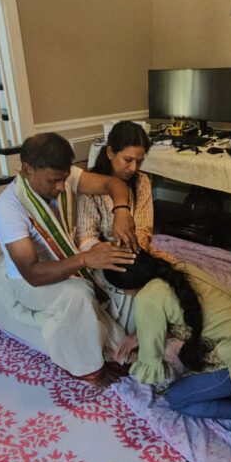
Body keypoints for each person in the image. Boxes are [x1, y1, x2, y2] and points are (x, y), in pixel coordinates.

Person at [105, 250, 231, 448]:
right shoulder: (180, 271)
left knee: (176, 398)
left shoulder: (147, 299)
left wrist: (132, 358)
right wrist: (140, 335)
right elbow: (189, 316)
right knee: (199, 371)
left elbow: (153, 367)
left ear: (124, 287)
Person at [0, 132, 139, 382]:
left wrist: (121, 210)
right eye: (53, 181)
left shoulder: (66, 177)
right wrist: (85, 259)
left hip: (68, 260)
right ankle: (88, 366)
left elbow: (114, 184)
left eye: (64, 179)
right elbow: (32, 274)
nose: (60, 187)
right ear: (27, 169)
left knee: (125, 265)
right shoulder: (7, 209)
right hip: (27, 282)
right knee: (79, 293)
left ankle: (130, 342)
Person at [76, 120, 152, 332]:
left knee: (163, 284)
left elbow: (144, 230)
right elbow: (86, 236)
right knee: (124, 283)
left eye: (139, 161)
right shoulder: (91, 184)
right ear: (110, 152)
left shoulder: (142, 181)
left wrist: (132, 250)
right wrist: (111, 251)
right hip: (103, 257)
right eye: (128, 160)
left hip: (135, 253)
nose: (133, 168)